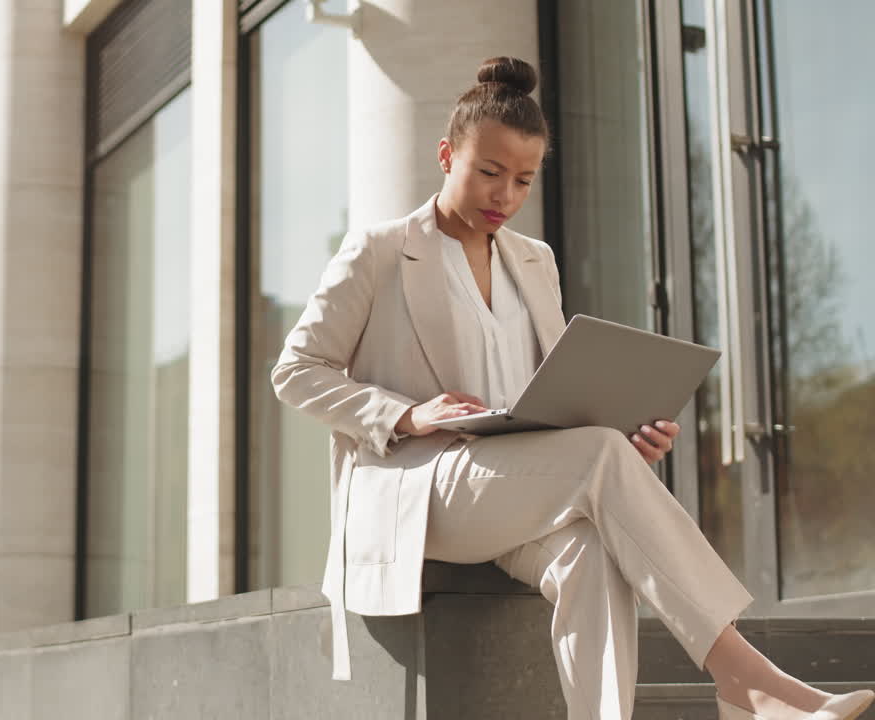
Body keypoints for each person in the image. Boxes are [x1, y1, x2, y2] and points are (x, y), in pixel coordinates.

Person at [271, 56, 874, 720]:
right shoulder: (380, 251)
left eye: (524, 180)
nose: (505, 196)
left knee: (590, 555)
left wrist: (621, 434)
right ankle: (747, 681)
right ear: (447, 155)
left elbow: (548, 394)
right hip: (419, 487)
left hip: (510, 480)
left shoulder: (535, 262)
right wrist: (410, 415)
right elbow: (296, 371)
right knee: (595, 460)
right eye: (489, 173)